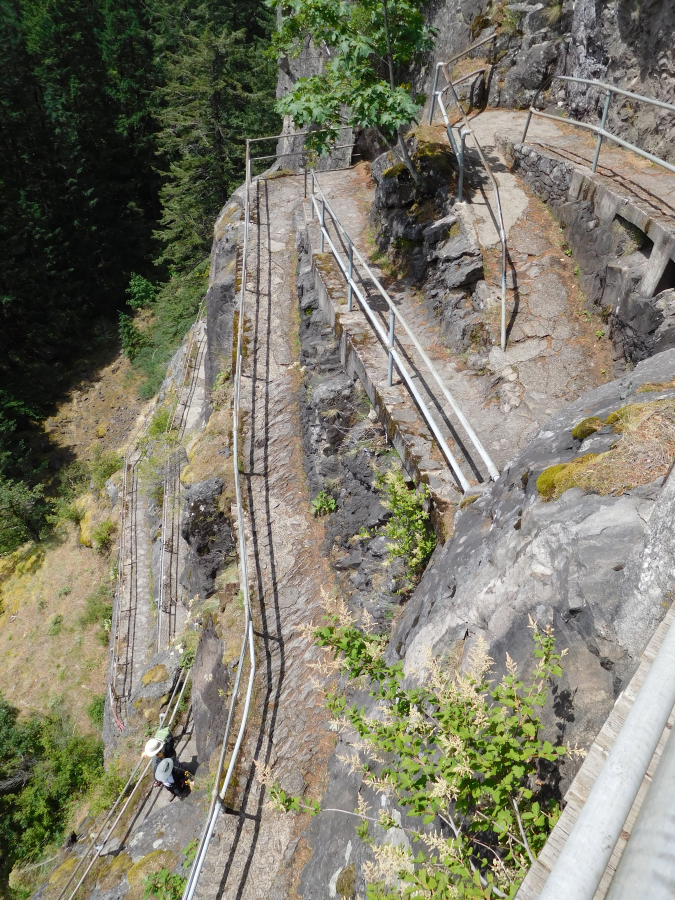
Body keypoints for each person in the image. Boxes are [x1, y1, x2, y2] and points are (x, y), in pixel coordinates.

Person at [144, 729, 193, 800]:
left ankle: (181, 789)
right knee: (173, 788)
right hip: (170, 782)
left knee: (179, 789)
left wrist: (191, 780)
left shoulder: (173, 764)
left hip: (175, 777)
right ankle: (176, 791)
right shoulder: (156, 761)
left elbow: (185, 770)